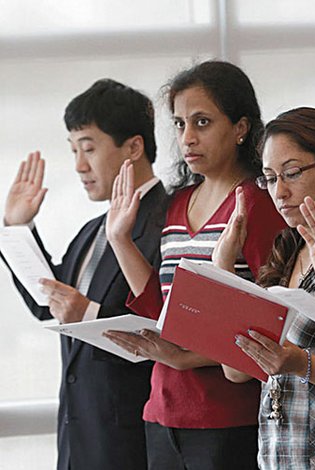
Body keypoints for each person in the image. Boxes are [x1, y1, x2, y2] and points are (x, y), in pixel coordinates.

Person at [103, 61, 285, 469]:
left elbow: (271, 321)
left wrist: (188, 357)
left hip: (227, 414)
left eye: (202, 122)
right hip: (162, 409)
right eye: (181, 124)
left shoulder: (257, 202)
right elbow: (161, 310)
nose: (187, 137)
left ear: (241, 127)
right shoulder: (178, 201)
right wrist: (119, 239)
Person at [1, 79, 168, 470]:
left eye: (89, 148)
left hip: (132, 445)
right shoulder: (93, 229)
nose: (79, 165)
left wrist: (90, 315)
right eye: (73, 150)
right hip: (80, 444)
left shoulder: (170, 222)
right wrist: (17, 229)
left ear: (134, 147)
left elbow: (169, 330)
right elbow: (51, 307)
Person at [214, 107, 315, 469]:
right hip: (282, 455)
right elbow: (237, 372)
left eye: (291, 173)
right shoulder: (287, 252)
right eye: (270, 178)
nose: (280, 192)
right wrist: (223, 268)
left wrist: (299, 363)